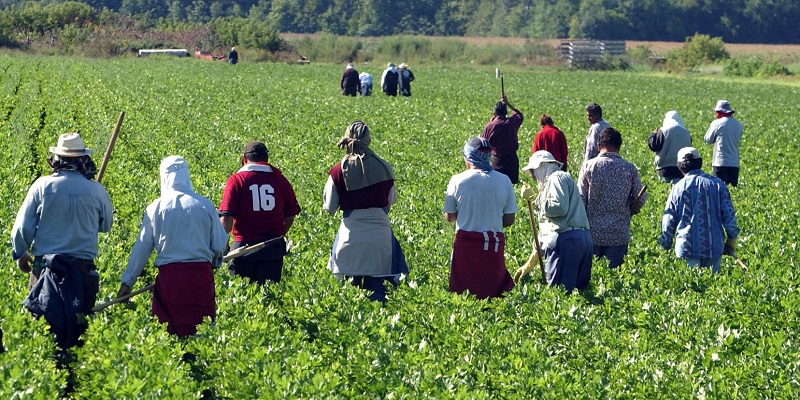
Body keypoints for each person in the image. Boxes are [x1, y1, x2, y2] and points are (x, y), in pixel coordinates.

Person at [11, 132, 113, 348]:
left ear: (57, 159)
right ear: (83, 159)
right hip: (82, 272)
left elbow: (21, 229)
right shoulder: (96, 190)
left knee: (43, 334)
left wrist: (21, 254)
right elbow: (106, 226)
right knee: (79, 334)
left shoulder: (42, 186)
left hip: (45, 270)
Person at [118, 156, 228, 337]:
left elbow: (142, 248)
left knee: (168, 335)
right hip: (200, 278)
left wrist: (127, 282)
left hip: (170, 280)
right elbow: (219, 244)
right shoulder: (204, 205)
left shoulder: (155, 208)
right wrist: (216, 260)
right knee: (200, 333)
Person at [323, 121, 408, 302]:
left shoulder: (338, 171)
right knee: (379, 296)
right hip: (380, 239)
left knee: (348, 298)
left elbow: (329, 206)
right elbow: (389, 204)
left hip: (350, 238)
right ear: (368, 140)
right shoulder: (385, 168)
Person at [219, 141, 301, 285]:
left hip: (243, 249)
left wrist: (222, 246)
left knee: (242, 298)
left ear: (244, 159)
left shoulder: (236, 180)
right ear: (266, 159)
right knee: (269, 297)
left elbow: (226, 217)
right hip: (273, 249)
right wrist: (279, 234)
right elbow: (290, 215)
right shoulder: (280, 180)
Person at [444, 137, 517, 299]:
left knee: (464, 293)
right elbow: (509, 219)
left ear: (468, 157)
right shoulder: (504, 181)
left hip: (466, 246)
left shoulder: (457, 180)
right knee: (493, 291)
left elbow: (450, 217)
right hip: (492, 245)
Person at [519, 151, 592, 293]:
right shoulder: (557, 181)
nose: (533, 176)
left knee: (560, 296)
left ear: (543, 166)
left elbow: (559, 208)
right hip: (581, 239)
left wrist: (535, 199)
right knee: (579, 293)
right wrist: (530, 263)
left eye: (534, 171)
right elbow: (548, 228)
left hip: (567, 242)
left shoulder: (556, 178)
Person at [658, 147, 739, 273]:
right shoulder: (718, 184)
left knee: (690, 288)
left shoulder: (678, 189)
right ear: (700, 162)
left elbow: (669, 219)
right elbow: (729, 216)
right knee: (712, 287)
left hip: (687, 249)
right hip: (714, 248)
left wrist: (665, 244)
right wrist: (731, 239)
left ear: (680, 167)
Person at [578, 128, 647, 269]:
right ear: (619, 147)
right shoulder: (629, 168)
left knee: (592, 277)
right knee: (614, 279)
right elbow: (640, 198)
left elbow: (580, 198)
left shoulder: (588, 166)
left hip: (593, 233)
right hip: (619, 233)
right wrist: (631, 210)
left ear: (598, 146)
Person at [481, 94, 524, 184]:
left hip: (497, 162)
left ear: (494, 114)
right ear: (506, 113)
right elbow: (519, 115)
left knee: (498, 186)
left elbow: (482, 144)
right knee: (512, 187)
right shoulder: (512, 122)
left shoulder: (490, 126)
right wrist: (507, 103)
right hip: (512, 161)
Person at [704, 100, 743, 186]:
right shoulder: (739, 125)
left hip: (720, 163)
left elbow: (707, 140)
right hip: (734, 163)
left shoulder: (717, 123)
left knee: (719, 191)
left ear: (719, 112)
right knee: (732, 192)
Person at [648, 110, 692, 184]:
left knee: (664, 191)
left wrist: (653, 134)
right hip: (681, 168)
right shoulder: (686, 132)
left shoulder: (662, 131)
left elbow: (654, 146)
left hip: (665, 169)